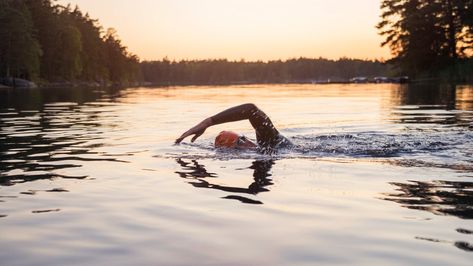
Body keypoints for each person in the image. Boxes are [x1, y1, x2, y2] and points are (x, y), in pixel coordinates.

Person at [175, 103, 291, 152]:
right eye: (240, 142)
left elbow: (251, 110)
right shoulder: (265, 151)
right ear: (234, 151)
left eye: (243, 137)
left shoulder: (272, 142)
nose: (246, 141)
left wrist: (208, 122)